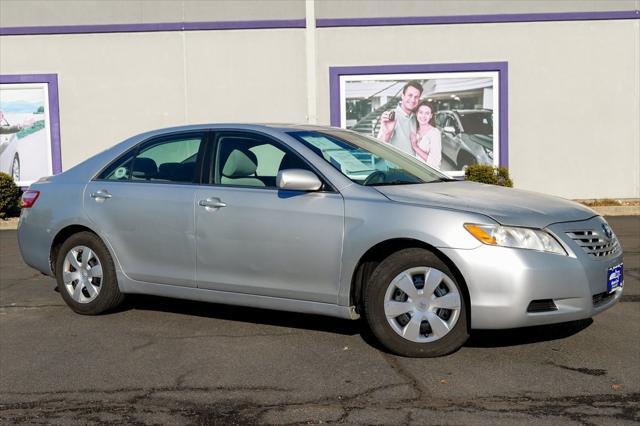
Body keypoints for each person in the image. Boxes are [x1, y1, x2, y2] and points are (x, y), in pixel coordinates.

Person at [377, 80, 422, 155]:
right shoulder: (391, 116)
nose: (413, 100)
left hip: (413, 165)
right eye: (410, 95)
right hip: (396, 166)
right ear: (403, 96)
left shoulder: (416, 118)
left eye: (416, 97)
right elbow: (378, 150)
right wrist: (387, 134)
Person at [410, 101, 441, 170]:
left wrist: (415, 147)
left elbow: (435, 162)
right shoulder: (414, 131)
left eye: (427, 113)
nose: (423, 116)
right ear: (416, 114)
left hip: (428, 173)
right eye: (421, 112)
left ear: (431, 116)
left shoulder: (434, 133)